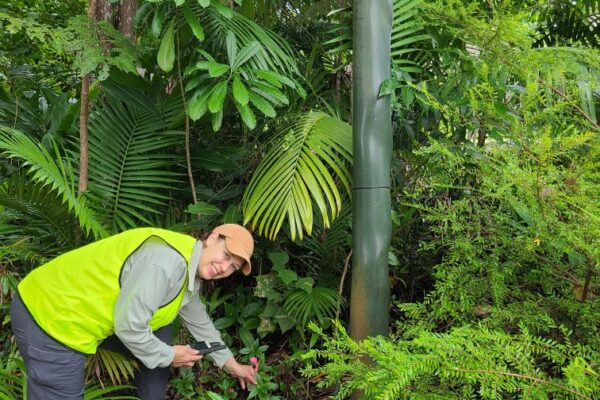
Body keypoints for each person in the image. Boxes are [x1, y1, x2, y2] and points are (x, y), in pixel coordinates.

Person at [10, 224, 258, 400]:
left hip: (76, 314)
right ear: (213, 238)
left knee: (160, 334)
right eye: (226, 255)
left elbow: (200, 323)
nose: (224, 267)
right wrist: (170, 355)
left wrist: (233, 365)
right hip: (51, 316)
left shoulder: (188, 266)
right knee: (159, 349)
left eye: (233, 267)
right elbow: (129, 327)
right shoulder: (167, 263)